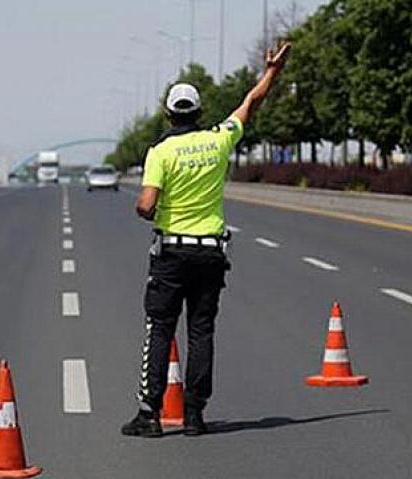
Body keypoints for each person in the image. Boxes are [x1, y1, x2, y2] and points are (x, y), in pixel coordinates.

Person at [121, 42, 292, 438]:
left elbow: (146, 205)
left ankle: (149, 414)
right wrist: (272, 71)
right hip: (211, 254)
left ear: (167, 113)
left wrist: (150, 209)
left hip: (171, 253)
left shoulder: (161, 152)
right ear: (199, 112)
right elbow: (251, 103)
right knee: (201, 331)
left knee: (160, 328)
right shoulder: (218, 140)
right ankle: (195, 415)